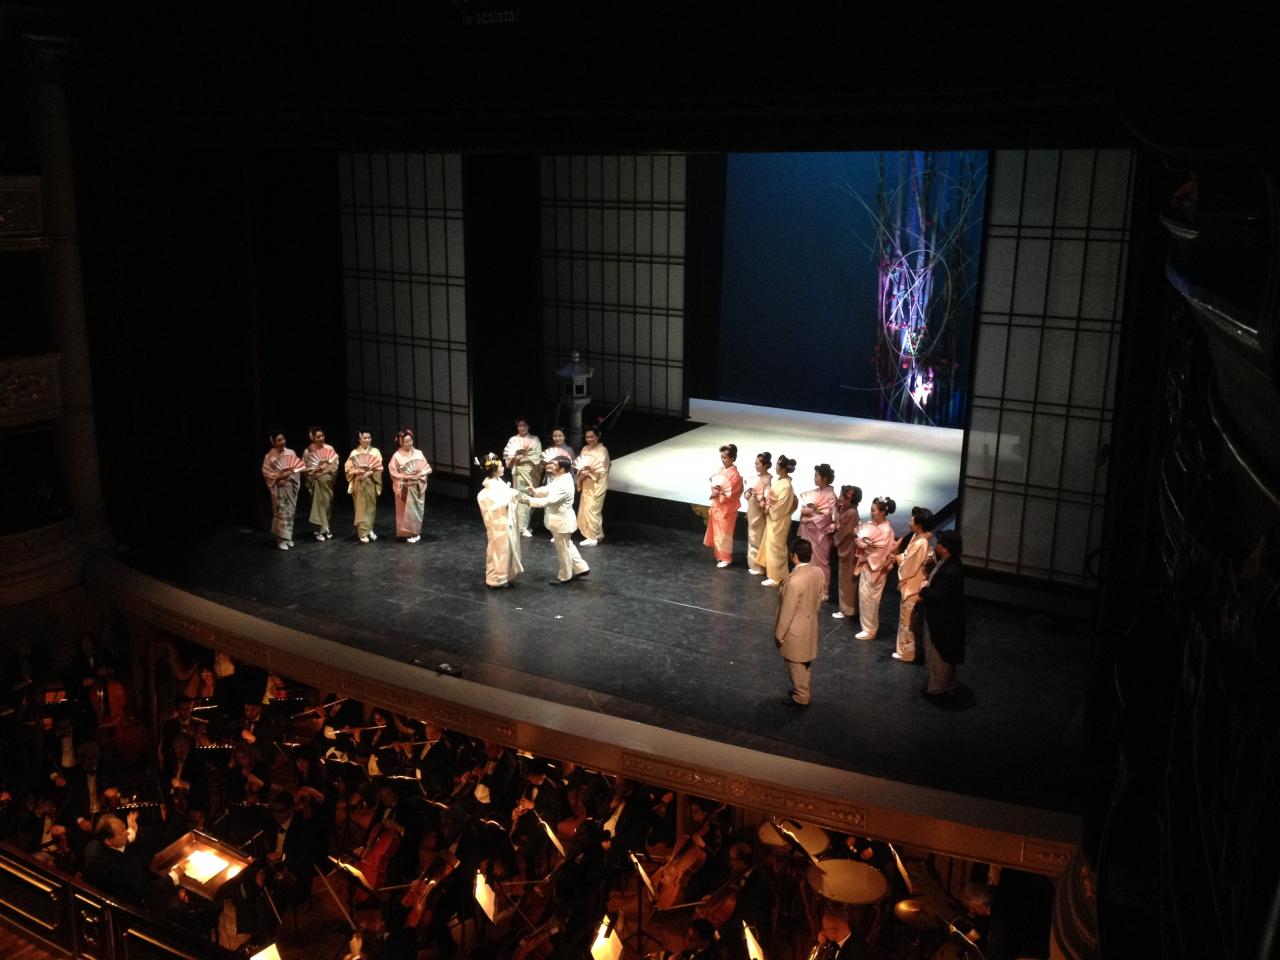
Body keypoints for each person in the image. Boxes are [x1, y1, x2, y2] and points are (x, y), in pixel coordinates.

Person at [518, 455, 590, 585]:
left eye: (554, 464)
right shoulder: (562, 478)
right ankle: (581, 568)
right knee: (567, 545)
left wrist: (530, 500)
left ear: (562, 469)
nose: (551, 466)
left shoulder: (564, 484)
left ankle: (565, 576)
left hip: (562, 521)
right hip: (561, 519)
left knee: (563, 549)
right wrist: (535, 491)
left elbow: (550, 501)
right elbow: (549, 488)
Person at [774, 540, 823, 708]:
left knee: (795, 663)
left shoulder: (795, 581)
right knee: (804, 662)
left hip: (795, 630)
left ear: (794, 556)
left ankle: (801, 696)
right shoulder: (818, 572)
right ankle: (802, 689)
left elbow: (787, 611)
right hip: (810, 625)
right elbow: (818, 599)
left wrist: (779, 634)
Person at [920, 529, 966, 697]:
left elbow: (938, 595)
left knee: (939, 653)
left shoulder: (951, 570)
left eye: (939, 543)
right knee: (939, 652)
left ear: (945, 548)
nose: (936, 545)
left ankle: (939, 687)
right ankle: (944, 684)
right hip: (942, 617)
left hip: (944, 619)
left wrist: (924, 590)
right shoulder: (947, 562)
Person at [890, 507, 934, 663]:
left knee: (908, 621)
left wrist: (896, 558)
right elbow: (908, 557)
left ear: (919, 524)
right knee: (907, 619)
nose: (909, 521)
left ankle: (907, 653)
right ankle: (907, 651)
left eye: (912, 519)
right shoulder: (918, 537)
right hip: (912, 581)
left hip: (913, 585)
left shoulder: (921, 542)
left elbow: (910, 566)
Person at [476, 453, 523, 589]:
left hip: (504, 522)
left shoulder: (498, 483)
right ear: (494, 469)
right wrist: (509, 497)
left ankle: (503, 576)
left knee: (503, 550)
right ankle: (496, 579)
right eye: (501, 467)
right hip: (498, 524)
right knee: (498, 551)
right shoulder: (488, 491)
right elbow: (497, 506)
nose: (503, 468)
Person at [853, 496, 896, 640]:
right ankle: (866, 627)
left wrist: (866, 550)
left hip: (876, 568)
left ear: (883, 512)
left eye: (874, 510)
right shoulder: (871, 524)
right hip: (866, 565)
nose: (871, 513)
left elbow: (882, 553)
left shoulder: (886, 531)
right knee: (864, 596)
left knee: (871, 599)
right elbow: (863, 537)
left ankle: (870, 629)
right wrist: (859, 542)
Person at [757, 455, 798, 587]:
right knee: (771, 545)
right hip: (774, 519)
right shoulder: (780, 481)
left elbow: (780, 506)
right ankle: (772, 572)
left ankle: (776, 577)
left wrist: (768, 506)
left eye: (777, 465)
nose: (775, 467)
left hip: (779, 520)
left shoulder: (786, 485)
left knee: (777, 547)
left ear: (782, 468)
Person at [797, 463, 837, 595]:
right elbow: (807, 508)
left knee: (821, 561)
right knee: (808, 558)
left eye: (817, 476)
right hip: (809, 531)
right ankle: (808, 586)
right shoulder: (814, 493)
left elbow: (828, 517)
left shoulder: (831, 495)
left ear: (824, 478)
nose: (814, 478)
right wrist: (806, 511)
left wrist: (809, 518)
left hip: (821, 533)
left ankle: (823, 590)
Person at [388, 427, 431, 543]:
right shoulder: (396, 456)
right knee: (402, 510)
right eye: (406, 441)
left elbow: (426, 468)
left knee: (415, 511)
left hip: (416, 486)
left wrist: (419, 476)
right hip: (404, 487)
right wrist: (406, 478)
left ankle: (415, 533)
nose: (409, 443)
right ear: (400, 442)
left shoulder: (418, 453)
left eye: (410, 440)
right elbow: (393, 472)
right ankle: (404, 533)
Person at [261, 431, 303, 551]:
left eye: (283, 439)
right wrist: (279, 478)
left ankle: (288, 537)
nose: (282, 442)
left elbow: (297, 468)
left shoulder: (291, 452)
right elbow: (267, 473)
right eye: (279, 440)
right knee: (281, 513)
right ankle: (280, 539)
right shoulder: (269, 456)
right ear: (273, 442)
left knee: (290, 513)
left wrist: (287, 476)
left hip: (290, 485)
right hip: (278, 488)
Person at [704, 443, 744, 567]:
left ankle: (726, 558)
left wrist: (719, 493)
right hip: (717, 506)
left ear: (732, 458)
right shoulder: (721, 470)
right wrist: (714, 490)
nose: (723, 460)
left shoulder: (735, 475)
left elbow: (731, 493)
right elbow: (717, 484)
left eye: (725, 457)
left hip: (727, 509)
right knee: (717, 532)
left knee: (724, 534)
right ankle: (719, 555)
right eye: (721, 457)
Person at [503, 417, 542, 539]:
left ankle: (526, 523)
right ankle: (522, 527)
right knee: (521, 498)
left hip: (531, 471)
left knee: (531, 496)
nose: (522, 428)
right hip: (519, 472)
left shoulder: (534, 439)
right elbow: (508, 458)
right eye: (520, 426)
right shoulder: (513, 440)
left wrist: (523, 457)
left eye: (524, 425)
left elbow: (537, 456)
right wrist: (515, 458)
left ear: (528, 427)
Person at [573, 426, 610, 546]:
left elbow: (601, 469)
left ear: (597, 436)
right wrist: (581, 472)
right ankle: (595, 535)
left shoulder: (602, 450)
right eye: (587, 437)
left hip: (596, 484)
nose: (589, 439)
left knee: (593, 511)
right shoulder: (584, 448)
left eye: (592, 437)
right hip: (586, 483)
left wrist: (588, 472)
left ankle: (593, 537)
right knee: (586, 509)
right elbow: (581, 463)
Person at [345, 430, 384, 543]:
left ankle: (370, 529)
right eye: (364, 438)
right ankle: (362, 532)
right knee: (361, 507)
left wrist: (368, 473)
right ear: (359, 439)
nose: (367, 440)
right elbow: (348, 469)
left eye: (369, 438)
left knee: (371, 507)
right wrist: (357, 471)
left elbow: (378, 467)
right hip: (359, 483)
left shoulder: (375, 452)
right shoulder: (354, 453)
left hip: (371, 482)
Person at [303, 426, 339, 541]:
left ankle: (327, 528)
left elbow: (335, 464)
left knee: (328, 505)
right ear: (313, 438)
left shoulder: (329, 448)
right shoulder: (308, 451)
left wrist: (327, 471)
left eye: (322, 436)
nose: (321, 438)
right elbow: (305, 468)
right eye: (318, 436)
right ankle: (318, 530)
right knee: (318, 506)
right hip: (316, 481)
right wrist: (316, 471)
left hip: (327, 480)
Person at [831, 485, 862, 620]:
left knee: (847, 580)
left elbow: (845, 531)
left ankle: (847, 609)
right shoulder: (846, 509)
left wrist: (836, 530)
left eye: (842, 496)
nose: (840, 497)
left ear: (849, 499)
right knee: (845, 578)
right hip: (846, 546)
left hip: (849, 548)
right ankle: (848, 608)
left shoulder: (851, 512)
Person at [541, 427, 576, 540]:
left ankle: (561, 530)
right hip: (551, 479)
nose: (557, 438)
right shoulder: (549, 449)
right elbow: (542, 465)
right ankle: (552, 531)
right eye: (555, 436)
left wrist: (561, 472)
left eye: (560, 436)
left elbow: (572, 467)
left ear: (564, 436)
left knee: (560, 505)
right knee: (549, 505)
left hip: (562, 480)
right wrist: (547, 467)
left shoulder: (569, 450)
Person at [743, 452, 773, 575]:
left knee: (757, 537)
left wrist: (762, 500)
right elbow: (747, 494)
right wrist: (749, 494)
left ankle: (758, 566)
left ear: (765, 465)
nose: (755, 465)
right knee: (752, 535)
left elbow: (766, 497)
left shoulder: (767, 480)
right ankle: (753, 564)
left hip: (759, 512)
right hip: (752, 509)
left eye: (757, 463)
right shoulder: (755, 478)